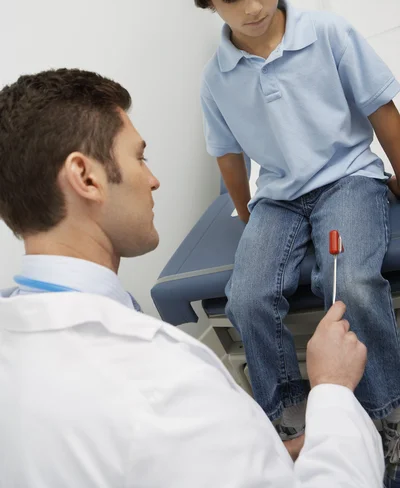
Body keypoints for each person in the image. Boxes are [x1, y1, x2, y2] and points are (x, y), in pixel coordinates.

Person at [0, 68, 385, 486]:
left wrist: (269, 451)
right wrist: (332, 389)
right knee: (247, 296)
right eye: (139, 156)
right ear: (86, 177)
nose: (153, 179)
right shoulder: (161, 382)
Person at [182, 0, 400, 485]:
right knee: (247, 295)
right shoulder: (216, 78)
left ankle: (387, 413)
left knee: (351, 282)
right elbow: (228, 155)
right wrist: (248, 217)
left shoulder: (329, 34)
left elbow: (382, 108)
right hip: (277, 199)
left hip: (347, 179)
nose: (252, 7)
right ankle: (289, 417)